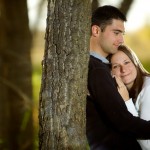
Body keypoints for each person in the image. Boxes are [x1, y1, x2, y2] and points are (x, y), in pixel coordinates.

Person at [86, 5, 150, 150]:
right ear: (96, 30)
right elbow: (123, 122)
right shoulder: (96, 69)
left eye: (122, 34)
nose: (121, 40)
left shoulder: (100, 67)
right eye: (116, 33)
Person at [109, 44, 150, 150]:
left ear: (135, 62)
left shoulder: (148, 89)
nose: (123, 69)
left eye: (126, 62)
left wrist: (127, 101)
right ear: (110, 72)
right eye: (116, 66)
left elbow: (147, 144)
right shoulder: (118, 93)